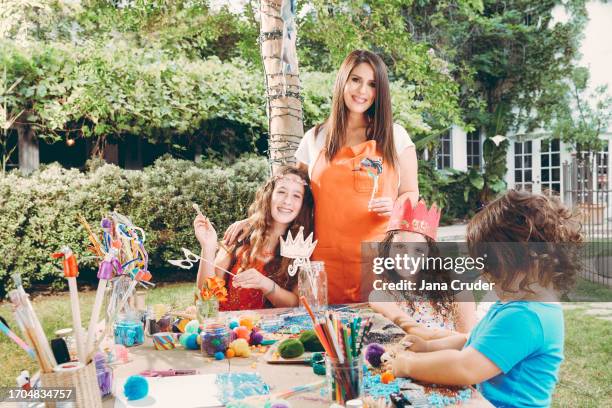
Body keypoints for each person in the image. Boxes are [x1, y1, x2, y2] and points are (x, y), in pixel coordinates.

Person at [225, 49, 419, 304]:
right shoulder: (314, 138)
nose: (362, 91)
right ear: (342, 82)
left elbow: (411, 193)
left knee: (381, 338)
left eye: (372, 84)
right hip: (325, 263)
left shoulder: (395, 136)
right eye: (355, 80)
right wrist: (254, 220)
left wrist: (395, 207)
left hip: (379, 261)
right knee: (325, 337)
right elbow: (295, 196)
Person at [384, 190, 583, 408]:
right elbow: (472, 339)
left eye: (492, 266)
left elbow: (464, 368)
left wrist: (408, 365)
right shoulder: (514, 301)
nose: (485, 274)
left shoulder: (527, 317)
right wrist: (428, 347)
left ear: (530, 259)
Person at [194, 166, 314, 310]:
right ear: (269, 195)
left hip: (270, 331)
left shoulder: (302, 248)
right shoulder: (241, 237)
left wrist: (265, 284)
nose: (287, 201)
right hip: (227, 328)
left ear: (303, 204)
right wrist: (207, 247)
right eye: (281, 192)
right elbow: (205, 299)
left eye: (296, 196)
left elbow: (298, 304)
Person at [369, 198, 476, 337]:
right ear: (387, 249)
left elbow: (470, 341)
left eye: (418, 250)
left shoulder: (457, 291)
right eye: (400, 247)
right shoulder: (381, 294)